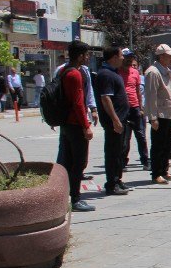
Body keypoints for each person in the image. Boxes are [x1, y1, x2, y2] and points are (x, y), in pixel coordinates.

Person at [56, 41, 95, 212]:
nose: (88, 58)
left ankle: (67, 197)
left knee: (68, 161)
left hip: (66, 124)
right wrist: (86, 126)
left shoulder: (64, 71)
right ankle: (76, 198)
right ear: (80, 56)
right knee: (78, 162)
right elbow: (78, 103)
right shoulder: (75, 74)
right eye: (86, 55)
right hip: (75, 124)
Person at [144, 44, 171, 185]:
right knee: (158, 145)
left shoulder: (166, 71)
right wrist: (152, 117)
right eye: (168, 56)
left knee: (167, 145)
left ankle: (164, 170)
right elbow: (151, 96)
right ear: (161, 56)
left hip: (169, 113)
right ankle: (156, 173)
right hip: (159, 114)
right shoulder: (153, 72)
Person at [94, 47, 130, 196]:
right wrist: (115, 119)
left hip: (121, 120)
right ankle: (111, 183)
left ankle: (117, 178)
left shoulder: (113, 73)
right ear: (114, 57)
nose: (123, 58)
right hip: (114, 122)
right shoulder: (105, 74)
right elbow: (105, 98)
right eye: (121, 55)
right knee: (112, 152)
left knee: (120, 151)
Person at [119, 50, 150, 171]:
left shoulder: (135, 73)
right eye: (126, 58)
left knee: (141, 135)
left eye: (131, 58)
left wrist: (141, 108)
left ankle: (145, 160)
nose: (128, 60)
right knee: (125, 138)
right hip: (123, 109)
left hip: (135, 107)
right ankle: (122, 162)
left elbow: (138, 91)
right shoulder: (117, 72)